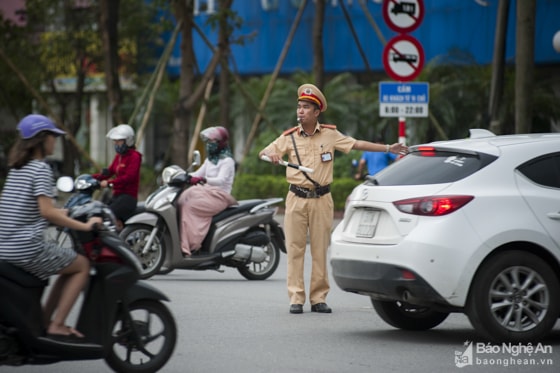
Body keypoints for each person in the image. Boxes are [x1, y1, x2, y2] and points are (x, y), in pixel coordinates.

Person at [259, 84, 408, 314]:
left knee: (320, 249)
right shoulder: (288, 137)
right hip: (296, 198)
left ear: (317, 112)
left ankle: (318, 298)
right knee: (295, 249)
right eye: (299, 106)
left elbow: (356, 144)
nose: (300, 111)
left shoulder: (330, 135)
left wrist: (389, 147)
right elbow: (264, 153)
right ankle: (296, 298)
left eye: (306, 107)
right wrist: (274, 155)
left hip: (322, 199)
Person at [0, 114, 102, 340]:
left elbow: (33, 209)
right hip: (26, 248)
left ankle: (44, 323)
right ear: (41, 138)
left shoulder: (17, 169)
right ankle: (56, 324)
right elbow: (47, 212)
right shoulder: (40, 169)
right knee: (82, 265)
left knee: (68, 263)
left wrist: (66, 213)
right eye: (53, 137)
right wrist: (84, 227)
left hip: (5, 248)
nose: (55, 142)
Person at [177, 126, 237, 256]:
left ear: (221, 143)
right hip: (206, 192)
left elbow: (220, 180)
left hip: (220, 196)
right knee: (181, 199)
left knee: (190, 206)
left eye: (212, 142)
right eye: (208, 142)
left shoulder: (227, 161)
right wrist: (182, 175)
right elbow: (197, 173)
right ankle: (181, 240)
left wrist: (203, 179)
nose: (209, 145)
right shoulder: (210, 160)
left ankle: (192, 244)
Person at [92, 124, 142, 230]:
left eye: (119, 141)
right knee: (97, 211)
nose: (116, 144)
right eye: (115, 141)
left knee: (106, 215)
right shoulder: (118, 157)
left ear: (128, 140)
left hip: (128, 198)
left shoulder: (135, 156)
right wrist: (91, 178)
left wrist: (110, 183)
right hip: (116, 196)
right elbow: (109, 172)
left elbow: (129, 177)